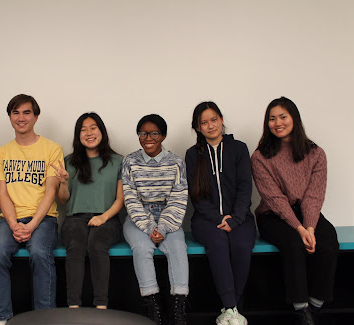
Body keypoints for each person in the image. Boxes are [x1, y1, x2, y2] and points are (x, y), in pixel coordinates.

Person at [251, 97, 339, 325]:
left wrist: (309, 226)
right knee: (294, 244)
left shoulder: (315, 153)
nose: (277, 123)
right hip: (273, 215)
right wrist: (300, 229)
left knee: (328, 242)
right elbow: (274, 198)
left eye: (283, 117)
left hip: (306, 211)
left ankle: (316, 305)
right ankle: (301, 310)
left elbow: (314, 195)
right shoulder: (260, 156)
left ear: (294, 119)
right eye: (272, 118)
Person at [0, 94, 64, 325]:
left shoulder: (52, 149)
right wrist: (13, 225)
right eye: (16, 112)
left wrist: (30, 226)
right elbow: (2, 194)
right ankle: (0, 319)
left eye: (26, 112)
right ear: (10, 117)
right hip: (10, 219)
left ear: (36, 116)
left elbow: (51, 192)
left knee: (40, 253)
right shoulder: (1, 153)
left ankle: (44, 319)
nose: (21, 118)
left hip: (43, 219)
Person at [185, 102, 255, 325]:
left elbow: (246, 188)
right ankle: (233, 309)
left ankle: (229, 309)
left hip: (240, 217)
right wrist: (218, 218)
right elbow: (196, 195)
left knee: (242, 245)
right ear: (197, 128)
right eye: (204, 122)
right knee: (218, 243)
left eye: (213, 120)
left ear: (221, 120)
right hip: (206, 220)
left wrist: (235, 218)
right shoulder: (193, 154)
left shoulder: (239, 148)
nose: (210, 125)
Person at [122, 114, 189, 325]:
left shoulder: (176, 162)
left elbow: (178, 198)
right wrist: (150, 227)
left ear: (163, 135)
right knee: (142, 248)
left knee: (178, 247)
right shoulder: (130, 161)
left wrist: (164, 227)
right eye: (142, 133)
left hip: (169, 216)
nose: (147, 137)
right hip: (138, 217)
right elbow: (130, 199)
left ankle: (179, 310)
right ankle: (154, 309)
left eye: (154, 133)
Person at [52, 112, 123, 309]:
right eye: (83, 130)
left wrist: (103, 217)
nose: (89, 133)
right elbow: (63, 199)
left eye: (93, 128)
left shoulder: (118, 161)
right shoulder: (68, 161)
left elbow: (120, 200)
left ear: (102, 131)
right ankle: (73, 306)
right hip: (75, 218)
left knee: (97, 243)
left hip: (108, 218)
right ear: (78, 135)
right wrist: (64, 182)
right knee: (75, 245)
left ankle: (101, 306)